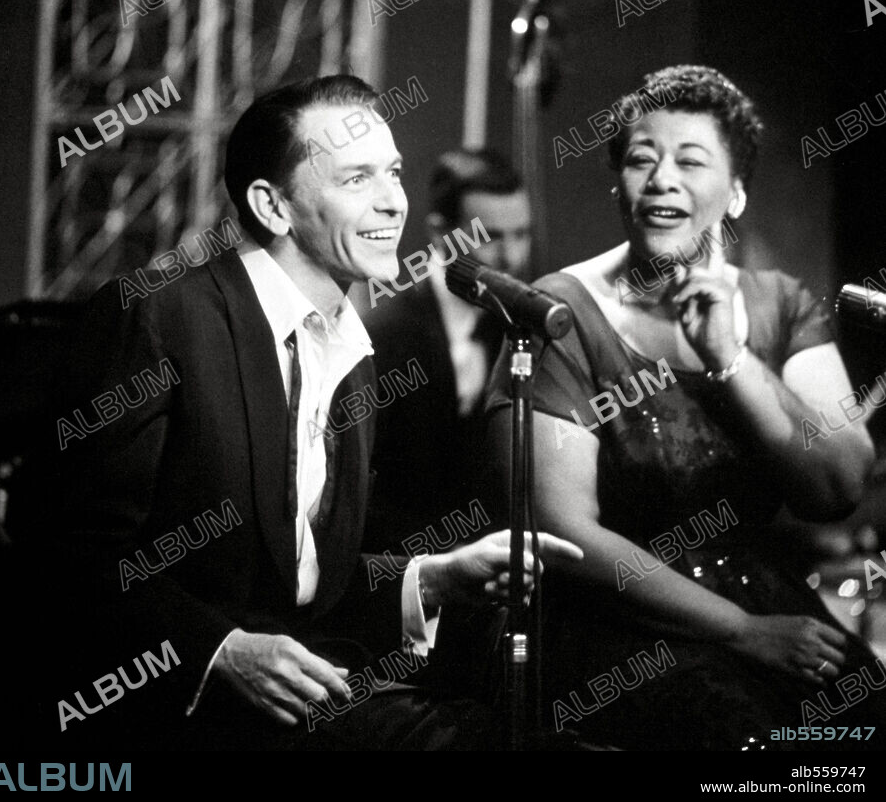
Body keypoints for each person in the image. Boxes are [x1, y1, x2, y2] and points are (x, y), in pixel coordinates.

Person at [33, 75, 581, 752]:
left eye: (393, 173)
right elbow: (67, 559)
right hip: (170, 716)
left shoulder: (351, 350)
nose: (393, 201)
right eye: (356, 179)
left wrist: (433, 577)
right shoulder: (158, 315)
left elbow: (305, 582)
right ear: (273, 205)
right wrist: (222, 649)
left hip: (310, 694)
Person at [485, 65, 884, 750]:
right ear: (619, 184)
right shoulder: (558, 311)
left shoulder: (780, 303)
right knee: (743, 741)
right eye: (642, 159)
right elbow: (561, 528)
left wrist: (732, 359)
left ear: (735, 194)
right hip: (619, 624)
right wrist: (739, 629)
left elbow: (839, 485)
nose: (661, 178)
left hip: (768, 598)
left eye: (690, 161)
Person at [363, 148, 531, 550]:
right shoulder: (381, 336)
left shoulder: (524, 325)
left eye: (522, 235)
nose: (510, 258)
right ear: (441, 234)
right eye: (490, 237)